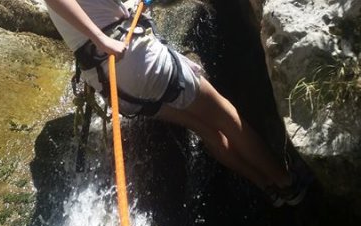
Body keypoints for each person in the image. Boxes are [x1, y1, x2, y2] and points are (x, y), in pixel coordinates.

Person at [44, 0, 311, 206]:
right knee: (225, 116)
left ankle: (267, 188)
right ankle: (286, 183)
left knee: (206, 129)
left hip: (110, 82)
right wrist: (101, 39)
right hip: (136, 61)